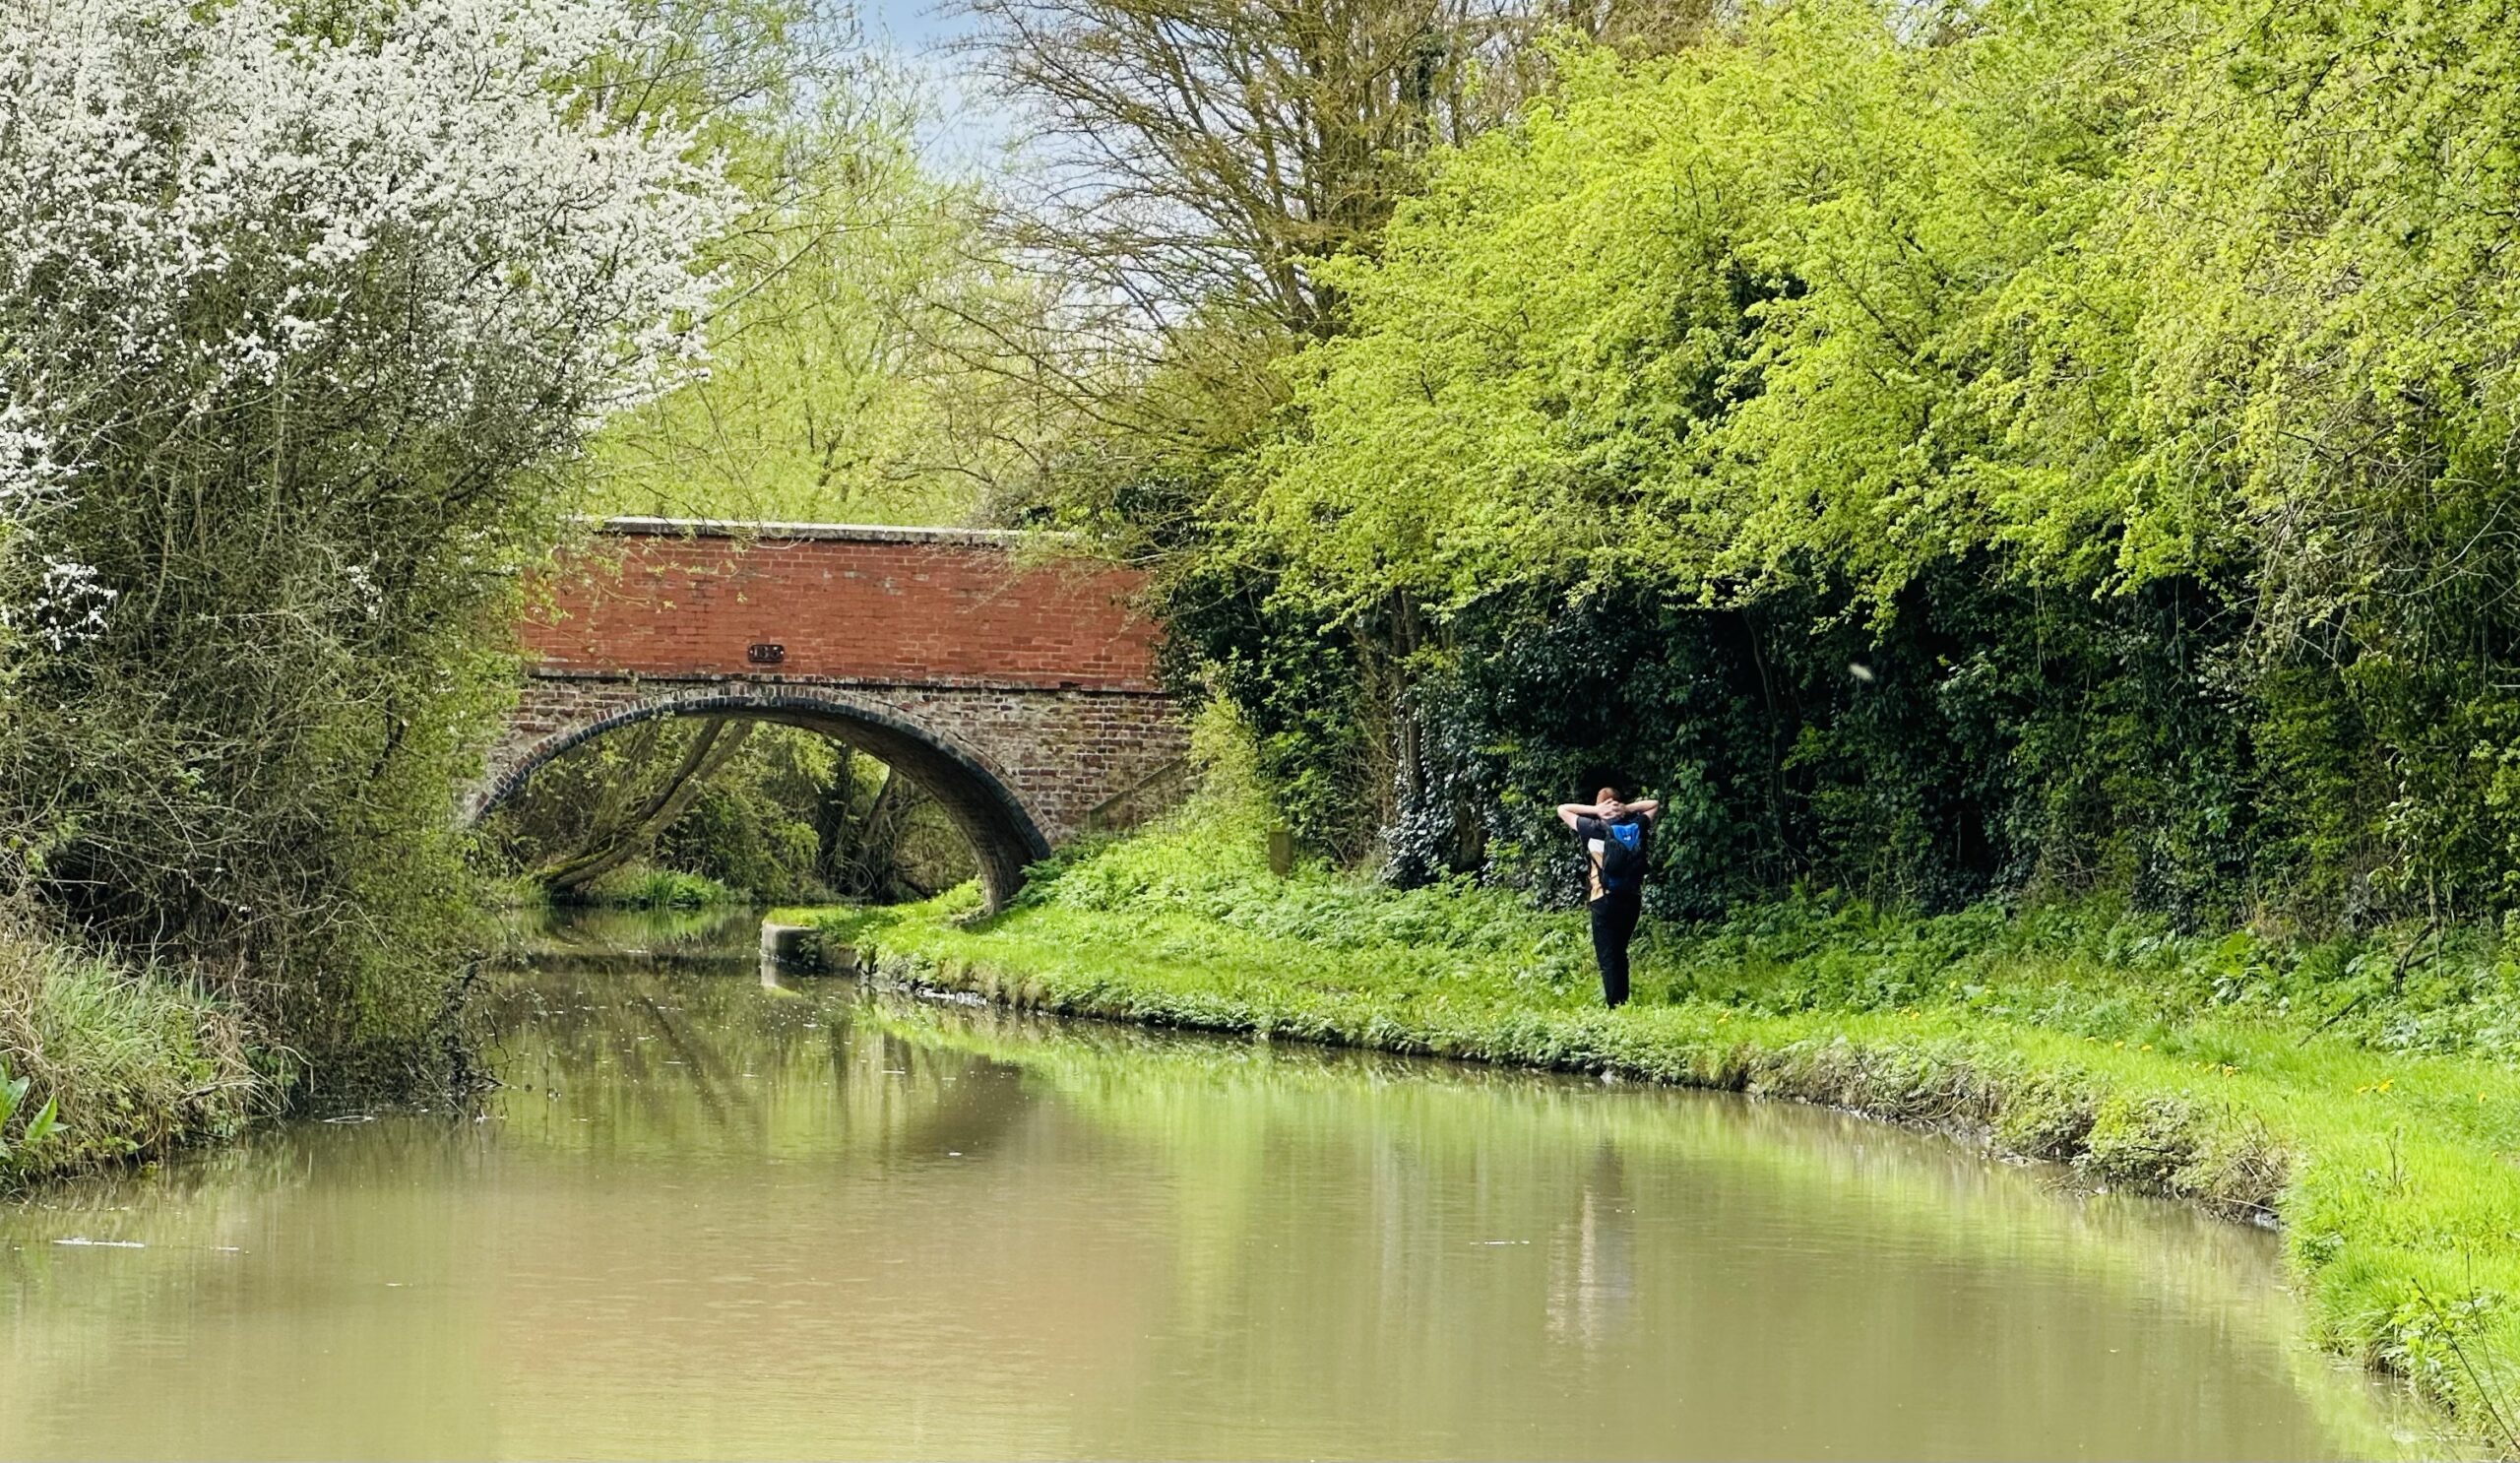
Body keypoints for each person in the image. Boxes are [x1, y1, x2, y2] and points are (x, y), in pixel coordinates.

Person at [1557, 787, 1661, 1008]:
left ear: (1600, 805)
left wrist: (1595, 810)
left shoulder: (1591, 827)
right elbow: (1654, 804)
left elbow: (1562, 809)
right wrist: (1627, 808)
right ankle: (1623, 1003)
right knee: (1620, 953)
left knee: (1608, 957)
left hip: (1603, 899)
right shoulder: (1635, 826)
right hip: (1632, 899)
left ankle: (1615, 1007)